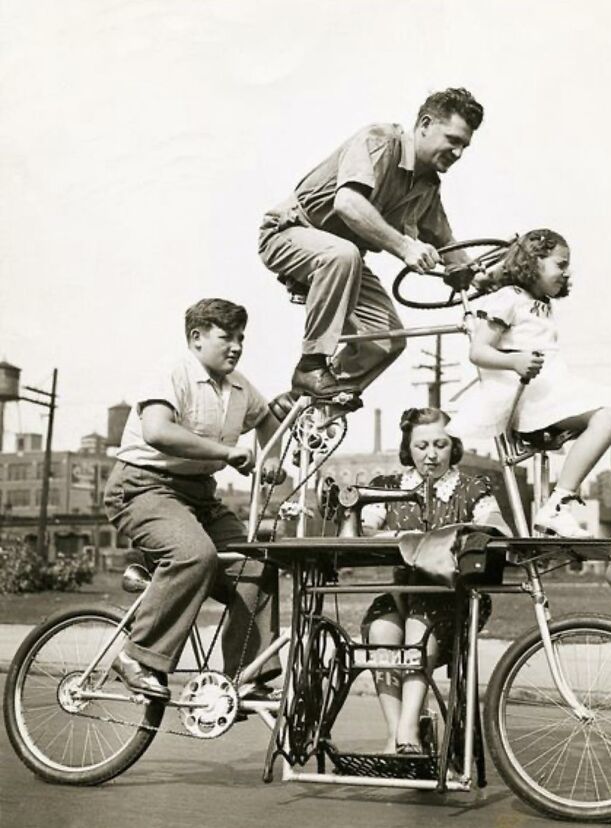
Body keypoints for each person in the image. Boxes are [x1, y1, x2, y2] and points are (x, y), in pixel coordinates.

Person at [449, 228, 611, 563]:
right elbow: (478, 351)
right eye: (560, 264)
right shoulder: (508, 298)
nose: (566, 272)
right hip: (526, 399)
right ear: (534, 262)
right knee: (609, 416)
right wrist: (515, 360)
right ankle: (557, 504)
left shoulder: (539, 302)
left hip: (551, 392)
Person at [103, 298, 286, 701]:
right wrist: (225, 452)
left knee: (256, 565)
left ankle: (245, 676)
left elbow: (267, 420)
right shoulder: (173, 372)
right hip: (143, 487)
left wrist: (270, 459)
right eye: (227, 337)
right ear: (196, 337)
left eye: (241, 338)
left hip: (199, 495)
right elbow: (157, 431)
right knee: (194, 555)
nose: (236, 346)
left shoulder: (240, 387)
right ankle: (136, 657)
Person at [258, 87, 484, 403]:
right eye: (453, 140)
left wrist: (482, 275)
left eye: (464, 146)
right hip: (290, 232)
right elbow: (348, 203)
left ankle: (309, 407)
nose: (458, 153)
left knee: (387, 341)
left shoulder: (427, 185)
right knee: (343, 254)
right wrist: (406, 247)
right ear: (425, 124)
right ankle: (311, 365)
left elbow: (447, 244)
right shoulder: (380, 141)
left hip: (342, 260)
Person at [360, 407, 510, 754]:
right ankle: (394, 733)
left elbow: (497, 527)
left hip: (454, 597)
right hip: (402, 593)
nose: (431, 455)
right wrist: (395, 535)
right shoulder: (388, 488)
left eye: (440, 445)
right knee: (380, 630)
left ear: (453, 446)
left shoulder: (472, 488)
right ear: (408, 448)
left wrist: (458, 533)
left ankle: (409, 730)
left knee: (418, 627)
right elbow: (364, 530)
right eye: (422, 445)